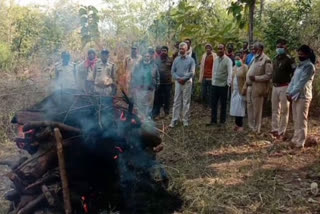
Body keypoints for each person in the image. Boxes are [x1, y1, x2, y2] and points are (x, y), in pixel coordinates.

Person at [287, 45, 316, 148]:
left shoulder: (309, 66)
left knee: (301, 119)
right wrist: (288, 92)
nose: (300, 55)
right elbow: (293, 80)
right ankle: (295, 139)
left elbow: (301, 82)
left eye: (302, 54)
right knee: (295, 119)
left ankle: (300, 143)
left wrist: (291, 93)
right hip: (295, 95)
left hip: (303, 96)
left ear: (307, 54)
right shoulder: (300, 66)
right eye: (299, 54)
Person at [271, 39, 295, 139]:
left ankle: (281, 132)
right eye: (277, 47)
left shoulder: (289, 59)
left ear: (285, 47)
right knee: (275, 109)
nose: (278, 48)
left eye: (280, 46)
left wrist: (291, 86)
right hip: (275, 87)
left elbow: (294, 72)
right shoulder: (276, 58)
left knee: (284, 110)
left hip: (285, 86)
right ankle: (274, 130)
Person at [245, 42, 272, 133]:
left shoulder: (266, 60)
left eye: (256, 49)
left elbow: (268, 76)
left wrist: (256, 78)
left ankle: (257, 128)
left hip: (258, 87)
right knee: (249, 107)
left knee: (257, 109)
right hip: (250, 86)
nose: (254, 50)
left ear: (261, 49)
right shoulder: (254, 58)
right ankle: (251, 126)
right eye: (254, 49)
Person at [169, 42, 195, 128]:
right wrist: (178, 79)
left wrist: (183, 79)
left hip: (187, 82)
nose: (181, 50)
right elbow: (173, 71)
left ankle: (185, 120)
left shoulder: (191, 60)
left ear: (186, 49)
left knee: (186, 101)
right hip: (178, 82)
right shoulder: (176, 59)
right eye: (180, 49)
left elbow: (192, 72)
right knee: (176, 101)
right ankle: (175, 120)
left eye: (182, 49)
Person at [206, 44, 232, 126]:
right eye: (218, 49)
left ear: (224, 50)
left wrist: (228, 83)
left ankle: (222, 121)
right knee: (213, 103)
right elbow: (214, 71)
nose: (219, 50)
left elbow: (230, 72)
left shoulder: (228, 60)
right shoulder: (216, 59)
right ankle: (213, 120)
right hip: (215, 84)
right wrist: (213, 81)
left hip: (223, 85)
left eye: (221, 49)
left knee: (223, 104)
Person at [131, 52, 159, 120]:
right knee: (141, 103)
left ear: (150, 57)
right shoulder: (138, 66)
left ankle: (148, 116)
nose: (147, 57)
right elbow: (134, 76)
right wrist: (135, 86)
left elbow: (157, 76)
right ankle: (141, 117)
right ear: (143, 57)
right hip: (141, 87)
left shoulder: (154, 66)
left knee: (149, 104)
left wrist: (156, 85)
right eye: (145, 56)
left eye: (148, 56)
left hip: (150, 88)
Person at [153, 46, 173, 118]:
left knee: (167, 99)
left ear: (167, 52)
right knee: (157, 99)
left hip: (168, 83)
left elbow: (173, 70)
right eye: (162, 51)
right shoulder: (156, 60)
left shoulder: (171, 60)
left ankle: (167, 113)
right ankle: (156, 113)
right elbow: (154, 71)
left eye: (165, 51)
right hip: (159, 83)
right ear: (160, 52)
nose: (163, 52)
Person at [230, 53, 248, 131]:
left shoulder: (245, 67)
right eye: (235, 59)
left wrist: (244, 88)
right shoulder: (234, 67)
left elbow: (247, 79)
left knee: (240, 108)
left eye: (238, 59)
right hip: (234, 90)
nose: (236, 61)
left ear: (242, 59)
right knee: (235, 108)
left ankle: (241, 125)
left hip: (241, 90)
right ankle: (236, 124)